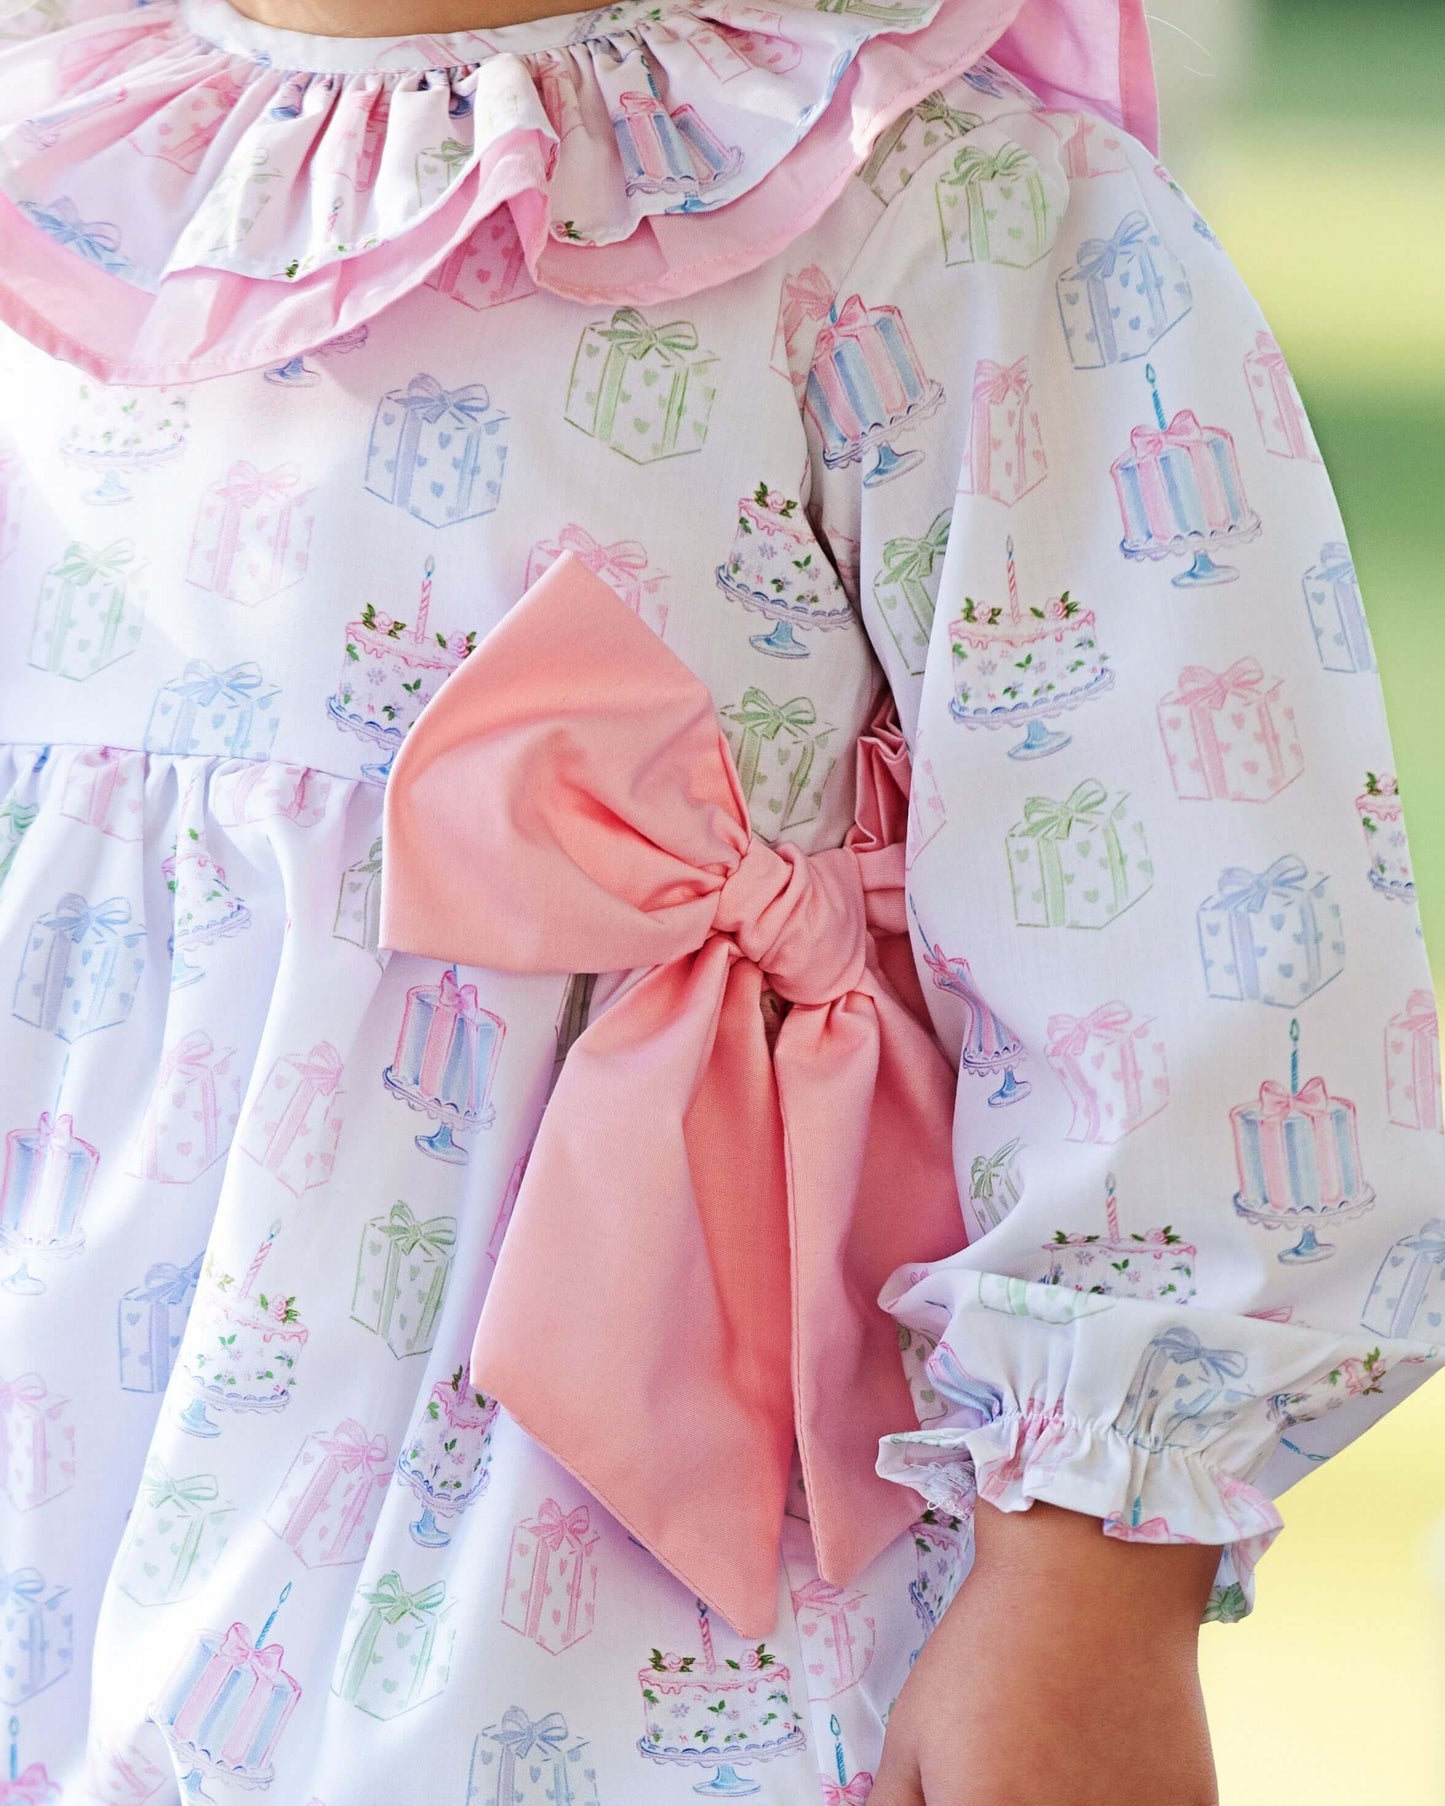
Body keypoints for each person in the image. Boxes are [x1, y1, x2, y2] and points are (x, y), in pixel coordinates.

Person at [0, 0, 1437, 1801]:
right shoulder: (70, 189)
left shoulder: (935, 217)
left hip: (612, 1580)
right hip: (69, 1507)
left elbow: (1192, 924)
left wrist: (1083, 1573)